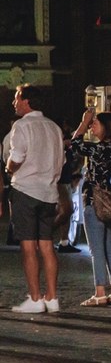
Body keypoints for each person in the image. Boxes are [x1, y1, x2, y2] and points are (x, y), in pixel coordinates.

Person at [5, 84, 67, 313]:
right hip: (49, 192)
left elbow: (17, 157)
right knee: (47, 245)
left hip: (26, 190)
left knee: (29, 247)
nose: (14, 103)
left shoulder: (21, 126)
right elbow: (61, 161)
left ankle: (35, 297)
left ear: (27, 101)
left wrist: (9, 166)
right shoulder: (54, 128)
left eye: (17, 98)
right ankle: (52, 297)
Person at [67, 109, 111, 306]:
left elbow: (74, 145)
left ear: (106, 127)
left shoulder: (98, 149)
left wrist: (83, 123)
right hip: (107, 202)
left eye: (95, 123)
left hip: (93, 201)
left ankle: (99, 292)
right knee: (109, 249)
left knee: (96, 251)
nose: (92, 126)